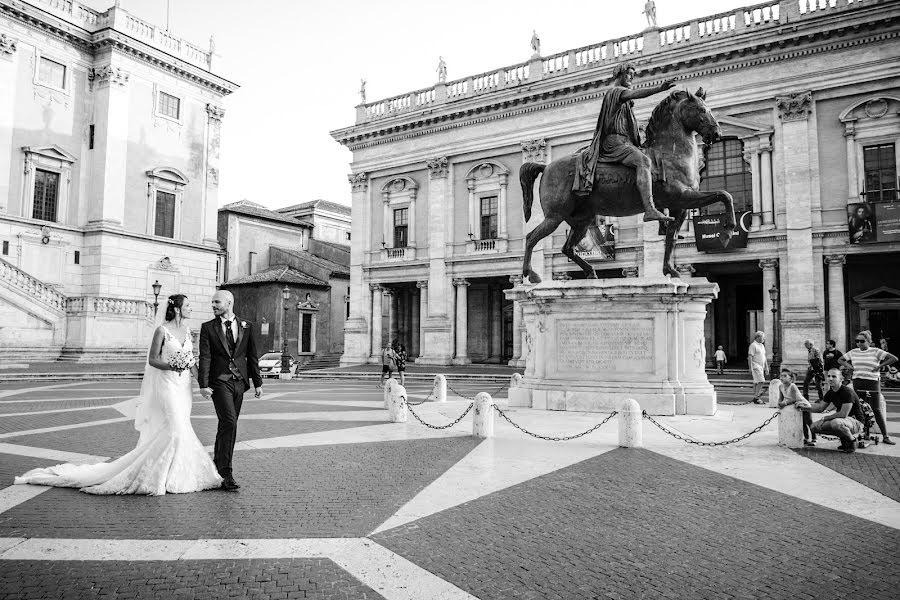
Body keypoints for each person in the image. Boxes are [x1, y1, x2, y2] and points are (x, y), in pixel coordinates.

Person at [15, 294, 222, 495]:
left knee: (180, 427)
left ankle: (177, 473)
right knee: (176, 428)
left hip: (183, 386)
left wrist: (203, 384)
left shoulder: (187, 331)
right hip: (167, 385)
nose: (190, 309)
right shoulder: (162, 331)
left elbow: (191, 361)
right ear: (177, 308)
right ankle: (163, 476)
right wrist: (172, 365)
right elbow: (152, 360)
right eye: (187, 306)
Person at [573, 62, 676, 223]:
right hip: (615, 143)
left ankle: (662, 213)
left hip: (625, 142)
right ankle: (649, 209)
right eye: (629, 75)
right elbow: (634, 93)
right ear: (619, 75)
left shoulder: (623, 100)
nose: (631, 79)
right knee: (644, 161)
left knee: (656, 162)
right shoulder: (616, 92)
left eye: (633, 76)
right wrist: (659, 89)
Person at [199, 289, 263, 492]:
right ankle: (226, 474)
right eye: (212, 302)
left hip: (239, 382)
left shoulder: (247, 326)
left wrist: (258, 382)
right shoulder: (207, 328)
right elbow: (205, 357)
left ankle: (217, 467)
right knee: (229, 422)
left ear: (229, 302)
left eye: (217, 302)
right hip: (219, 382)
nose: (213, 305)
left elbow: (251, 355)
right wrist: (204, 384)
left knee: (226, 426)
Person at [838, 329, 897, 444]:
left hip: (872, 382)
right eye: (857, 341)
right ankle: (859, 433)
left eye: (862, 341)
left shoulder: (876, 351)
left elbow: (894, 358)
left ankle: (885, 436)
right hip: (858, 381)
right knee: (859, 409)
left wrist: (880, 366)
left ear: (868, 341)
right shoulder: (854, 352)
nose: (859, 343)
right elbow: (840, 359)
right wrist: (849, 366)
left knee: (876, 409)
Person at [800, 368, 865, 453]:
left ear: (841, 379)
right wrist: (803, 407)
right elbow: (820, 408)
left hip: (856, 422)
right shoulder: (830, 392)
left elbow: (843, 414)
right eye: (828, 376)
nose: (830, 378)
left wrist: (825, 418)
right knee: (813, 427)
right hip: (843, 421)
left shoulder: (847, 392)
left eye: (834, 376)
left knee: (836, 423)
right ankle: (844, 438)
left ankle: (852, 441)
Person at [776, 368, 816, 446]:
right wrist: (779, 403)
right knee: (802, 423)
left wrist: (785, 403)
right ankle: (806, 438)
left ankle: (814, 438)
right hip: (796, 406)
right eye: (781, 376)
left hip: (803, 405)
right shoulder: (780, 386)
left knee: (808, 422)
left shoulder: (792, 386)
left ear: (791, 378)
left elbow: (794, 398)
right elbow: (781, 397)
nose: (782, 378)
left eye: (785, 376)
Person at [747, 331, 768, 404]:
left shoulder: (762, 346)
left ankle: (755, 397)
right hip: (755, 365)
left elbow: (764, 357)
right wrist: (750, 367)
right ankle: (756, 397)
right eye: (763, 337)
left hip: (761, 366)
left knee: (756, 382)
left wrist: (766, 367)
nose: (764, 339)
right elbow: (750, 357)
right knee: (761, 381)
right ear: (758, 337)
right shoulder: (753, 345)